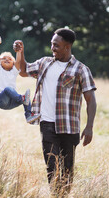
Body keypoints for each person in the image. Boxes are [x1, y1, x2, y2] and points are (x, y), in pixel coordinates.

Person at [13, 28, 97, 195]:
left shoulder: (81, 70)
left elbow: (91, 100)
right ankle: (55, 194)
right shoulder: (45, 63)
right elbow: (23, 71)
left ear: (67, 47)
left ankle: (63, 194)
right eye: (52, 44)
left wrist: (89, 127)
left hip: (69, 128)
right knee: (52, 166)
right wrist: (20, 53)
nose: (52, 48)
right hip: (47, 124)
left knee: (67, 170)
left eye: (56, 45)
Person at [0, 34, 39, 123]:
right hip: (1, 100)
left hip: (11, 103)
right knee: (9, 90)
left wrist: (19, 51)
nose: (7, 60)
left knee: (26, 97)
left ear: (13, 63)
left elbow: (19, 61)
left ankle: (28, 116)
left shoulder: (14, 71)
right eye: (4, 59)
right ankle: (22, 99)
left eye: (9, 59)